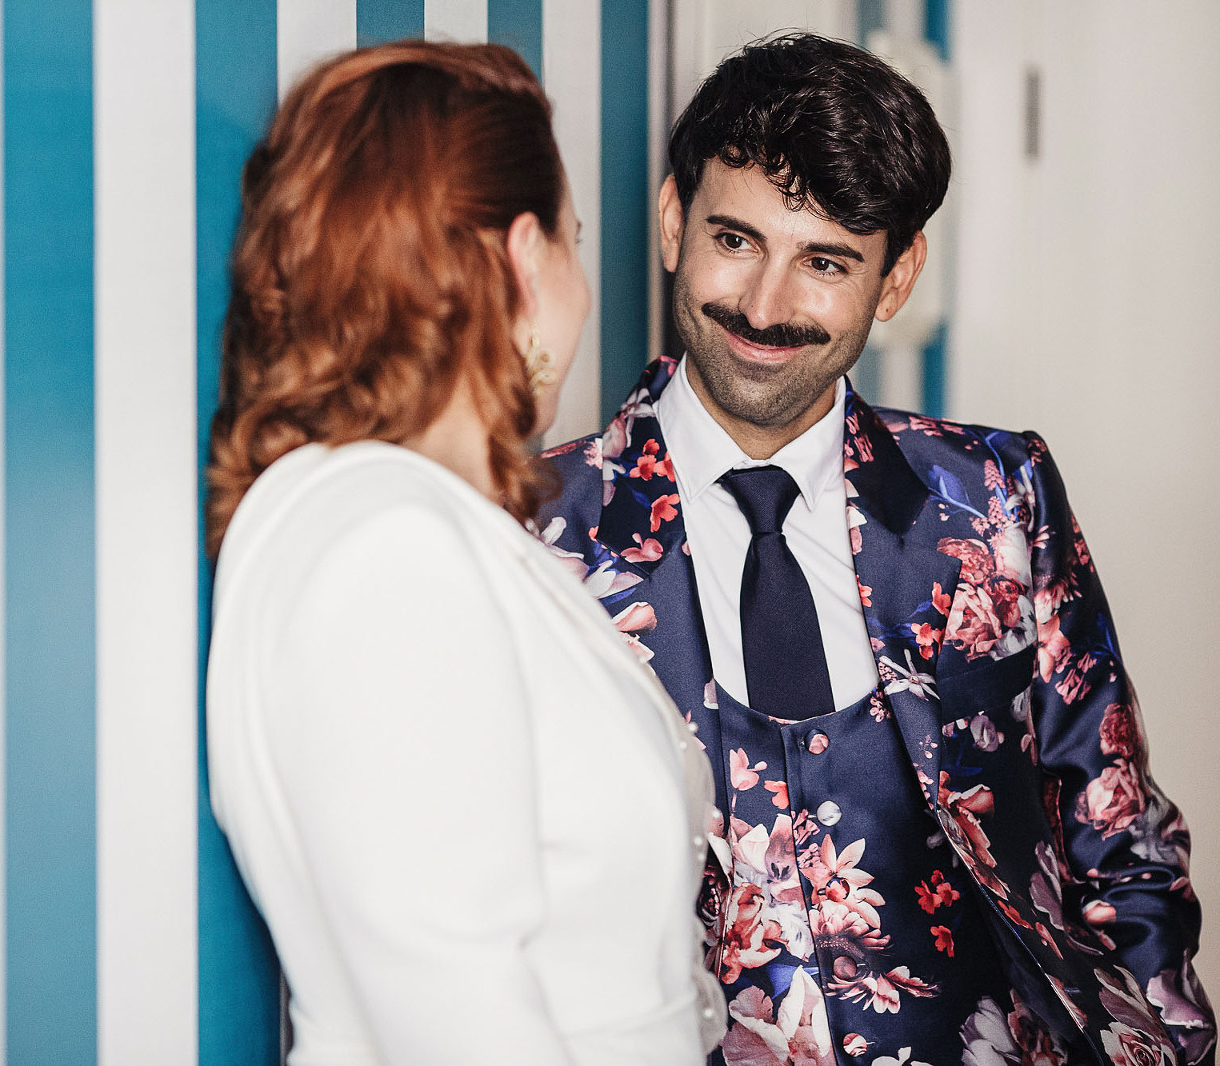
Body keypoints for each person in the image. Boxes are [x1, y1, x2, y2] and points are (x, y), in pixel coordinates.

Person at [539, 32, 1215, 1066]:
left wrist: (1164, 1039)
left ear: (895, 276)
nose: (764, 306)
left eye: (824, 262)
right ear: (674, 222)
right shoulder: (537, 527)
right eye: (736, 239)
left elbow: (1116, 828)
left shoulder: (996, 498)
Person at [204, 41, 722, 1065]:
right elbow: (456, 1004)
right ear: (521, 261)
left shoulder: (408, 519)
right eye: (572, 243)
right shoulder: (388, 549)